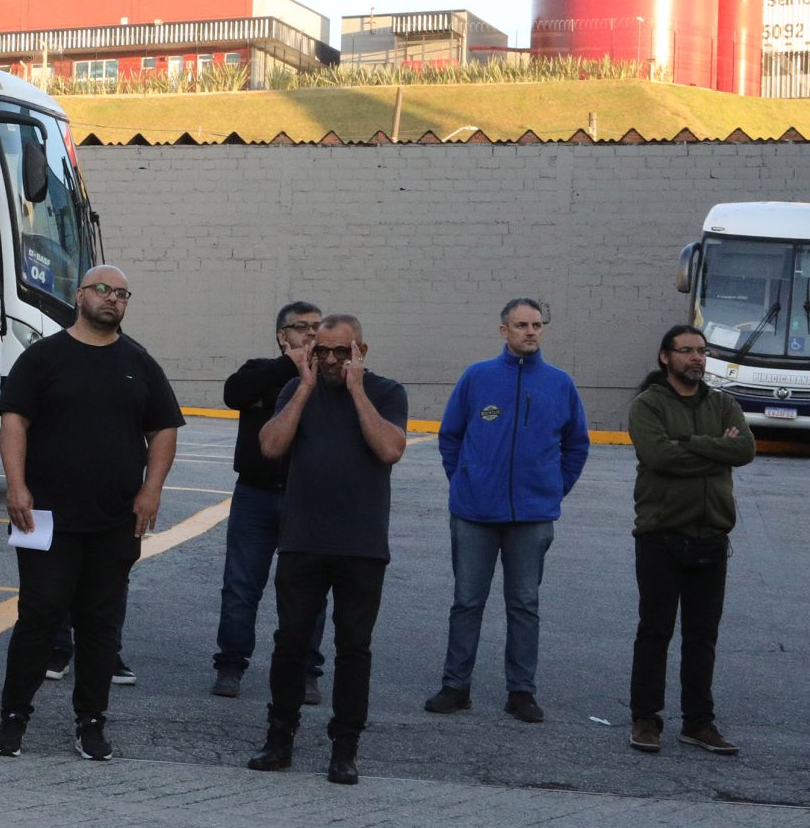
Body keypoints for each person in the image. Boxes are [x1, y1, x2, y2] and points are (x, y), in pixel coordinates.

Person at [0, 266, 181, 763]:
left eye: (121, 293)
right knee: (38, 615)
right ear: (79, 296)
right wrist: (16, 486)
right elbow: (15, 421)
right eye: (103, 290)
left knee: (101, 623)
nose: (112, 299)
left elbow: (163, 429)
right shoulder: (44, 358)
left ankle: (91, 722)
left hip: (115, 520)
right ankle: (14, 717)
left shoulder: (139, 362)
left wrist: (151, 489)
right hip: (45, 519)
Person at [243, 315, 408, 785]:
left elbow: (390, 449)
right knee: (290, 643)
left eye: (342, 352)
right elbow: (271, 445)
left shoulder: (387, 391)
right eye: (323, 352)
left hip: (362, 544)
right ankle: (280, 740)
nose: (332, 360)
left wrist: (357, 392)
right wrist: (303, 389)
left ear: (362, 351)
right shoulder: (297, 390)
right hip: (302, 540)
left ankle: (345, 748)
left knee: (354, 647)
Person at [427, 297, 589, 723]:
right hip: (474, 515)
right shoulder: (477, 377)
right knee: (467, 602)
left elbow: (576, 445)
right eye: (521, 325)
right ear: (504, 331)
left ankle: (521, 692)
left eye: (537, 325)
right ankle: (455, 686)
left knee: (524, 604)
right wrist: (466, 481)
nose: (530, 332)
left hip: (532, 518)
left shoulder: (559, 384)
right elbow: (451, 436)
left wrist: (553, 488)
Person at [626, 324, 754, 755]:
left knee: (702, 637)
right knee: (655, 631)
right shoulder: (648, 405)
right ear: (666, 357)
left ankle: (699, 723)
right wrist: (716, 448)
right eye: (687, 351)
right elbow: (658, 455)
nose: (697, 358)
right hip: (661, 536)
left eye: (702, 351)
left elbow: (745, 450)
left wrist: (692, 443)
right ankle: (646, 719)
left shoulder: (723, 403)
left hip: (712, 537)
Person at [213, 301, 328, 702]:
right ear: (283, 336)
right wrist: (289, 365)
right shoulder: (260, 371)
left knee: (308, 590)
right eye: (302, 327)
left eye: (317, 326)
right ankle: (230, 666)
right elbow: (234, 394)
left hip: (307, 499)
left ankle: (307, 671)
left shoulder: (331, 375)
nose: (312, 334)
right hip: (256, 496)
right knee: (241, 585)